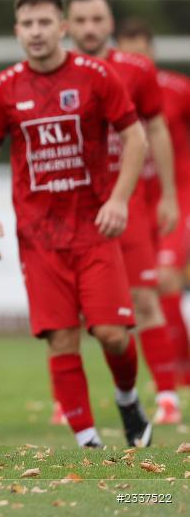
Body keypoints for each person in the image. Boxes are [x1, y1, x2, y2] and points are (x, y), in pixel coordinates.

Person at [0, 0, 151, 448]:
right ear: (17, 32)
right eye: (27, 25)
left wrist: (118, 199)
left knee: (112, 334)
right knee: (61, 339)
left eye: (44, 23)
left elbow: (136, 139)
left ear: (62, 28)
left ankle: (128, 398)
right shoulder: (3, 88)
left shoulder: (96, 76)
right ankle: (88, 442)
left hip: (94, 230)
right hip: (40, 238)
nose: (36, 32)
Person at [66, 0, 181, 424]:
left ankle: (167, 396)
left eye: (98, 19)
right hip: (72, 210)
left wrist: (168, 194)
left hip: (127, 202)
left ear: (110, 23)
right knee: (75, 310)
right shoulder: (51, 74)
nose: (90, 28)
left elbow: (157, 131)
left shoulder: (135, 70)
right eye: (81, 20)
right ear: (67, 26)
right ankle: (70, 400)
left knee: (145, 297)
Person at [116, 19, 190, 391]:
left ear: (153, 53)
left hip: (177, 195)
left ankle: (180, 375)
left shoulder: (178, 89)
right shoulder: (109, 89)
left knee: (165, 278)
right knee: (143, 291)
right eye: (128, 55)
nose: (136, 63)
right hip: (134, 202)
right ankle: (174, 373)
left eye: (141, 54)